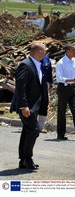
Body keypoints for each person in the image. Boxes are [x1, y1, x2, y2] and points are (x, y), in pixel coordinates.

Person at [10, 42, 48, 170]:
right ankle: (28, 158)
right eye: (44, 50)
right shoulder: (25, 65)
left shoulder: (39, 64)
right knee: (34, 129)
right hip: (27, 106)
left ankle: (23, 160)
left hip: (35, 106)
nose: (46, 52)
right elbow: (20, 88)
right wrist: (23, 106)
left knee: (27, 131)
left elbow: (40, 85)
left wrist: (44, 103)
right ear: (39, 52)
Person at [38, 55, 53, 133]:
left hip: (45, 83)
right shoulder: (32, 58)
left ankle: (41, 126)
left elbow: (49, 71)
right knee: (34, 105)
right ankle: (31, 124)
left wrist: (51, 84)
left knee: (44, 103)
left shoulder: (47, 59)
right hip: (35, 83)